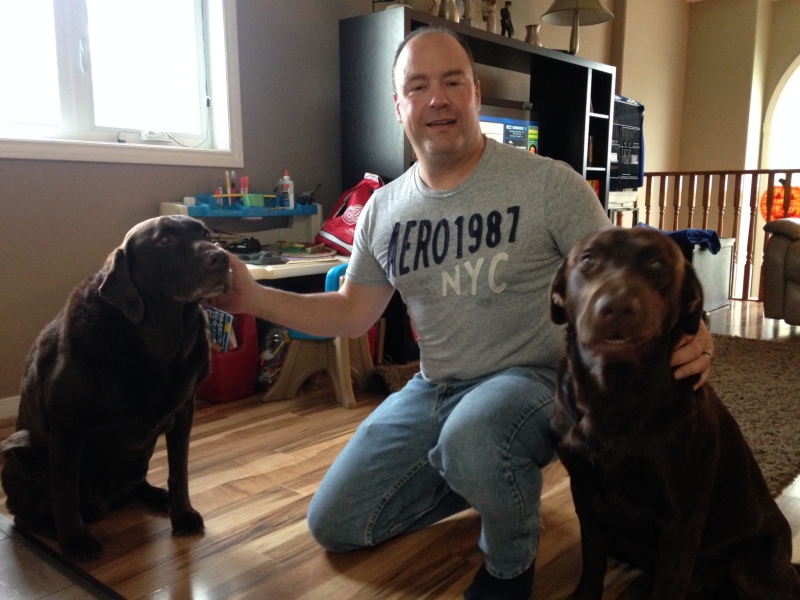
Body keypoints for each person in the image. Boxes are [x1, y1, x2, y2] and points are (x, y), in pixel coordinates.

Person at [208, 27, 714, 600]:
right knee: (336, 524)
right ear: (399, 105)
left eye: (452, 82)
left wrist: (698, 331)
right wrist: (250, 297)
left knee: (473, 437)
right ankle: (489, 472)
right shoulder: (383, 209)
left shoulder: (548, 183)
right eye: (417, 86)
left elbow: (628, 275)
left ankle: (508, 559)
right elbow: (353, 313)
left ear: (475, 93)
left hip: (535, 381)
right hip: (435, 387)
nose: (437, 99)